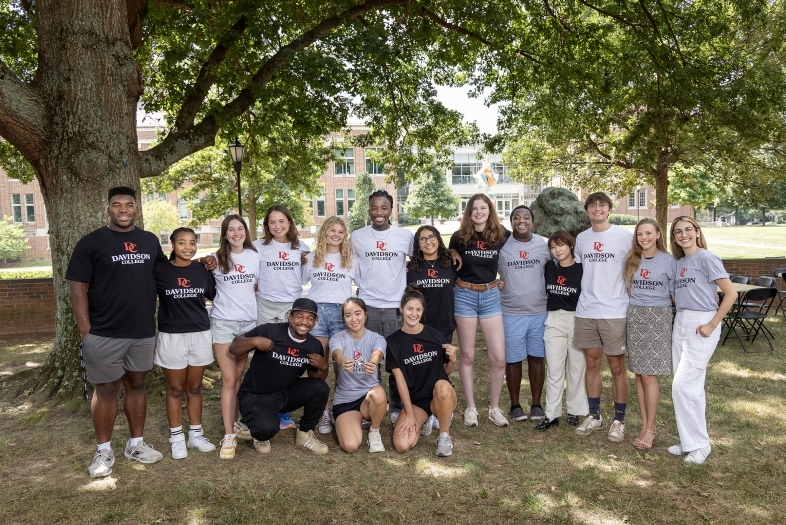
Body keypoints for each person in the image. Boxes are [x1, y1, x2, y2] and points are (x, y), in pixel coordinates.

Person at [67, 186, 213, 477]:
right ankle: (103, 451)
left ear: (136, 208)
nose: (123, 209)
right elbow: (77, 288)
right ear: (108, 208)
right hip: (105, 332)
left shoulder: (147, 241)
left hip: (143, 331)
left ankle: (136, 444)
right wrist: (86, 331)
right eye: (117, 205)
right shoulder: (91, 243)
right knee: (106, 389)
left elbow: (171, 270)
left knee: (136, 386)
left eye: (129, 205)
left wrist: (202, 263)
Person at [668, 216, 735, 464]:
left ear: (697, 232)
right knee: (688, 388)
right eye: (677, 232)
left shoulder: (707, 258)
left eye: (688, 229)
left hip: (702, 323)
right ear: (673, 237)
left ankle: (701, 444)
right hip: (682, 322)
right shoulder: (679, 263)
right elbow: (679, 295)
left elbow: (731, 293)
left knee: (683, 386)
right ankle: (689, 442)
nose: (683, 234)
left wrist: (712, 323)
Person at [229, 298, 330, 455]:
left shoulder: (314, 345)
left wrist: (324, 366)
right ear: (290, 317)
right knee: (266, 430)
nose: (304, 322)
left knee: (320, 388)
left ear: (315, 322)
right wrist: (254, 341)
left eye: (309, 318)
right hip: (255, 395)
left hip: (284, 394)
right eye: (299, 316)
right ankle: (256, 430)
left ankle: (305, 434)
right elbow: (234, 347)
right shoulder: (270, 330)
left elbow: (315, 380)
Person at [573, 192, 633, 442]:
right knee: (592, 364)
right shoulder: (582, 238)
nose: (597, 209)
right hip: (587, 310)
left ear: (609, 209)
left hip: (615, 311)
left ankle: (619, 420)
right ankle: (594, 415)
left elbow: (634, 269)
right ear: (587, 210)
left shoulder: (623, 236)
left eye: (602, 205)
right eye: (592, 205)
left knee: (617, 367)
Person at [350, 189, 414, 423]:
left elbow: (418, 261)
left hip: (396, 307)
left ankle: (397, 407)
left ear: (391, 210)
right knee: (369, 360)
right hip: (368, 306)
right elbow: (352, 268)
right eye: (375, 208)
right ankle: (370, 406)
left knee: (397, 360)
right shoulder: (357, 236)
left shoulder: (404, 236)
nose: (379, 212)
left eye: (384, 208)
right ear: (369, 210)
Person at [154, 227, 217, 459]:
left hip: (200, 333)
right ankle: (176, 438)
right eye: (182, 242)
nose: (187, 247)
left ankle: (195, 435)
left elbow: (214, 294)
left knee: (194, 388)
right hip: (172, 336)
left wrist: (211, 263)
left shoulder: (202, 269)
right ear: (172, 244)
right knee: (176, 389)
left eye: (192, 242)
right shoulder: (159, 270)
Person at [448, 193, 510, 427]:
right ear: (469, 212)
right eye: (474, 208)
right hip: (465, 295)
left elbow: (525, 244)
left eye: (483, 208)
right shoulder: (459, 237)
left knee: (498, 357)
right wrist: (451, 252)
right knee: (468, 355)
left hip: (491, 295)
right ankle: (471, 408)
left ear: (489, 210)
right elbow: (448, 259)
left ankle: (494, 408)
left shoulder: (502, 236)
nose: (478, 212)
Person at [252, 204, 311, 431]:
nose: (277, 226)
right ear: (267, 225)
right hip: (265, 305)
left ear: (289, 222)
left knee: (288, 358)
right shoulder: (258, 247)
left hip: (291, 306)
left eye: (281, 221)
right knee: (266, 356)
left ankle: (283, 409)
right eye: (272, 222)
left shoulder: (301, 248)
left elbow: (305, 278)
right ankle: (263, 405)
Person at [622, 218, 675, 449]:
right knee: (638, 374)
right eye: (640, 234)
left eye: (648, 233)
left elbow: (675, 294)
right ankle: (644, 425)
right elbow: (628, 290)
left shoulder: (669, 261)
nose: (644, 238)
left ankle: (651, 428)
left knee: (649, 375)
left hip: (658, 317)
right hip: (636, 316)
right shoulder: (632, 259)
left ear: (658, 235)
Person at [386, 287, 458, 456]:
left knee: (441, 386)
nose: (414, 314)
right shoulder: (393, 343)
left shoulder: (434, 335)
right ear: (401, 309)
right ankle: (425, 419)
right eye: (410, 308)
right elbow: (400, 381)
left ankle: (444, 435)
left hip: (439, 395)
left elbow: (446, 371)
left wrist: (453, 359)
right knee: (402, 445)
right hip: (416, 402)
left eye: (418, 309)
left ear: (423, 311)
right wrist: (410, 414)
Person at [210, 214, 259, 460]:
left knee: (239, 376)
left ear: (246, 232)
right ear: (225, 233)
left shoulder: (254, 256)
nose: (236, 233)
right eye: (231, 229)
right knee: (229, 379)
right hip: (223, 323)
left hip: (247, 324)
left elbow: (259, 285)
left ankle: (238, 423)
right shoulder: (216, 259)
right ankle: (229, 435)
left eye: (241, 229)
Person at [303, 216, 356, 435]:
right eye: (332, 230)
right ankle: (322, 411)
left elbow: (366, 284)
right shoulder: (311, 258)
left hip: (341, 312)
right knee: (317, 364)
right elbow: (294, 281)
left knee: (340, 364)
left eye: (340, 232)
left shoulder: (351, 259)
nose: (336, 234)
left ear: (345, 236)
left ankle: (341, 409)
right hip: (316, 313)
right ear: (324, 232)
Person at [498, 205, 550, 423]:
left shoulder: (544, 244)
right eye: (517, 217)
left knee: (537, 357)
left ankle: (537, 404)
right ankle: (515, 405)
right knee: (514, 359)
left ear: (532, 221)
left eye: (526, 217)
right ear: (511, 222)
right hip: (511, 312)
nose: (522, 220)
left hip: (540, 310)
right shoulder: (501, 246)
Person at [536, 230, 588, 431]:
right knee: (555, 369)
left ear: (571, 245)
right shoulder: (549, 267)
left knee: (576, 368)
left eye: (561, 245)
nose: (557, 250)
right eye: (553, 247)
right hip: (554, 319)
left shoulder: (582, 269)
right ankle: (552, 414)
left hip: (576, 319)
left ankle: (575, 410)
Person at [329, 298, 387, 453]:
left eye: (357, 313)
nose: (353, 319)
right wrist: (342, 361)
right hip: (345, 400)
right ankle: (354, 421)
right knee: (350, 446)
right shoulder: (337, 338)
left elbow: (378, 352)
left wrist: (373, 363)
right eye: (348, 315)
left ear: (366, 314)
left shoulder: (377, 338)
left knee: (378, 392)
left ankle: (374, 432)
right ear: (344, 318)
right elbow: (337, 352)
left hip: (368, 399)